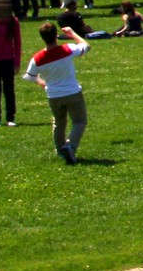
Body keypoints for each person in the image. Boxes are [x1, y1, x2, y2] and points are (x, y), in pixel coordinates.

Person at [23, 21, 92, 164]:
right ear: (56, 36)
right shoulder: (67, 50)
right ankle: (70, 146)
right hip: (72, 92)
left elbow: (30, 76)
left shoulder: (37, 58)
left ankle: (60, 149)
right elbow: (86, 46)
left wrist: (42, 83)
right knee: (79, 121)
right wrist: (72, 33)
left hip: (53, 95)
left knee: (59, 123)